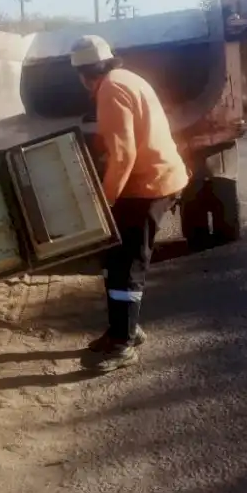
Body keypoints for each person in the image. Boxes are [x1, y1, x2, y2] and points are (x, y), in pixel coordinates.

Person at [70, 35, 190, 372]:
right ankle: (123, 328)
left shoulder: (110, 90)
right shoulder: (127, 78)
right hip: (153, 180)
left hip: (147, 186)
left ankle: (123, 344)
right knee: (116, 259)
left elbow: (123, 156)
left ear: (83, 73)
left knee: (127, 264)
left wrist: (104, 205)